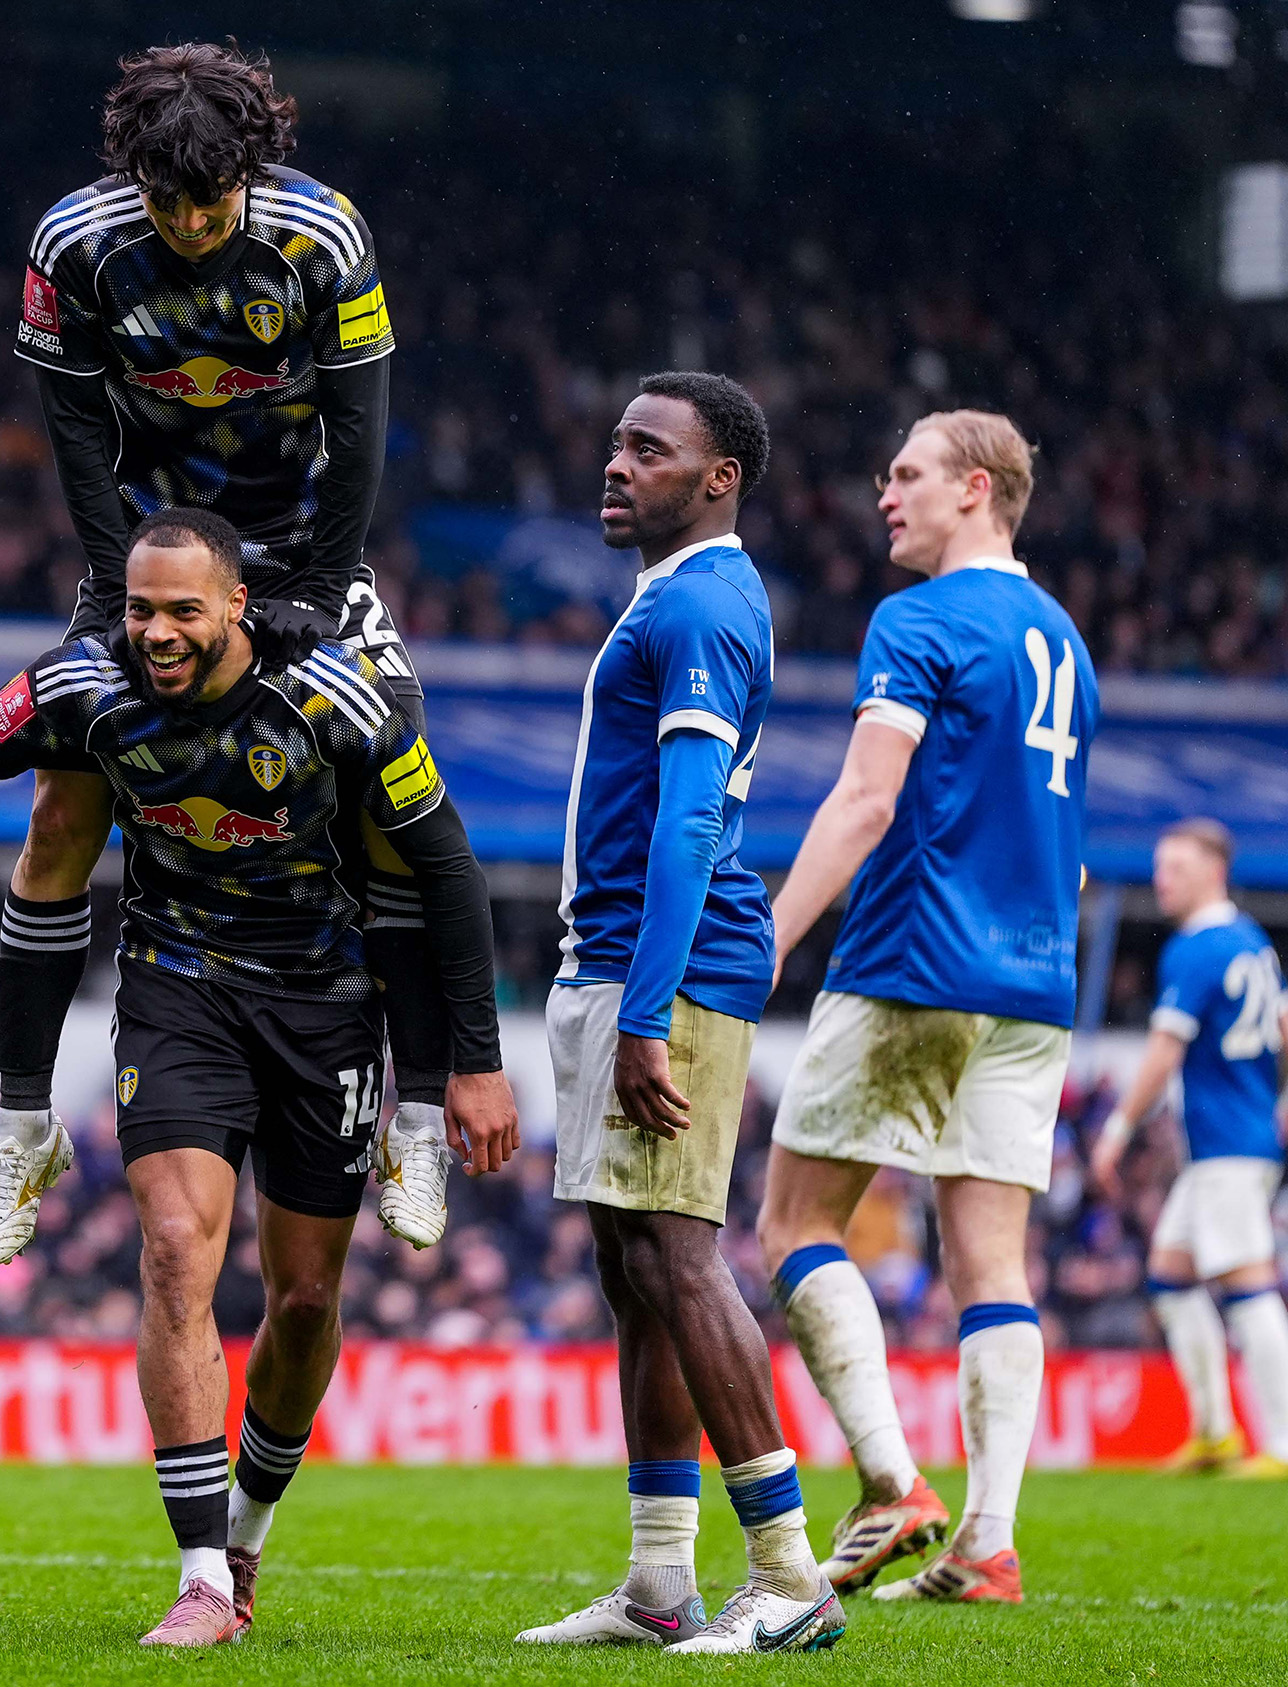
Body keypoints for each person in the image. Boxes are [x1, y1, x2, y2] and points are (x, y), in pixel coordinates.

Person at [0, 506, 516, 1647]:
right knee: (175, 1251)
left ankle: (250, 1527)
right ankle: (203, 1576)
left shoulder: (336, 698)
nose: (156, 631)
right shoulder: (81, 685)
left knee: (307, 1298)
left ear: (234, 610)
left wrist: (473, 1066)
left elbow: (450, 871)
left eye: (181, 610)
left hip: (326, 1005)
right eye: (138, 608)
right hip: (178, 990)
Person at [0, 42, 460, 1258]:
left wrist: (311, 586)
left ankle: (417, 1117)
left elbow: (362, 430)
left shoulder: (325, 239)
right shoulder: (74, 247)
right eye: (167, 203)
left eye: (212, 203)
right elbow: (77, 435)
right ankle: (24, 1123)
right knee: (57, 812)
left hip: (307, 549)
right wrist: (112, 583)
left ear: (255, 168)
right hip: (150, 567)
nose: (192, 226)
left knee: (387, 800)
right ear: (130, 176)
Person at [515, 374, 840, 1656]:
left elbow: (694, 821)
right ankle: (661, 1582)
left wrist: (645, 1011)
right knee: (635, 1269)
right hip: (622, 966)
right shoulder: (681, 595)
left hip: (672, 974)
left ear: (721, 477)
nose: (617, 464)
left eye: (650, 449)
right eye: (616, 444)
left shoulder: (702, 602)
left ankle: (789, 1573)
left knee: (678, 1257)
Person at [756, 409, 1100, 1605]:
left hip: (915, 961)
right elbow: (1072, 846)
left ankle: (894, 1480)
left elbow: (863, 797)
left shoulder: (922, 620)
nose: (885, 494)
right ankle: (989, 1546)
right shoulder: (1063, 638)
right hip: (1037, 982)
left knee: (793, 1221)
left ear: (975, 486)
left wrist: (771, 936)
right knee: (988, 1257)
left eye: (904, 474)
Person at [1088, 818, 1288, 1477]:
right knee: (1171, 1273)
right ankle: (1215, 1432)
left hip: (1225, 1148)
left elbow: (1164, 1050)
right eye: (1160, 868)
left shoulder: (1195, 947)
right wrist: (1272, 1101)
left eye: (1176, 869)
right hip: (1242, 1139)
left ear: (1214, 872)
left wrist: (1118, 1127)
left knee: (1248, 1283)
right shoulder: (1251, 941)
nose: (1163, 880)